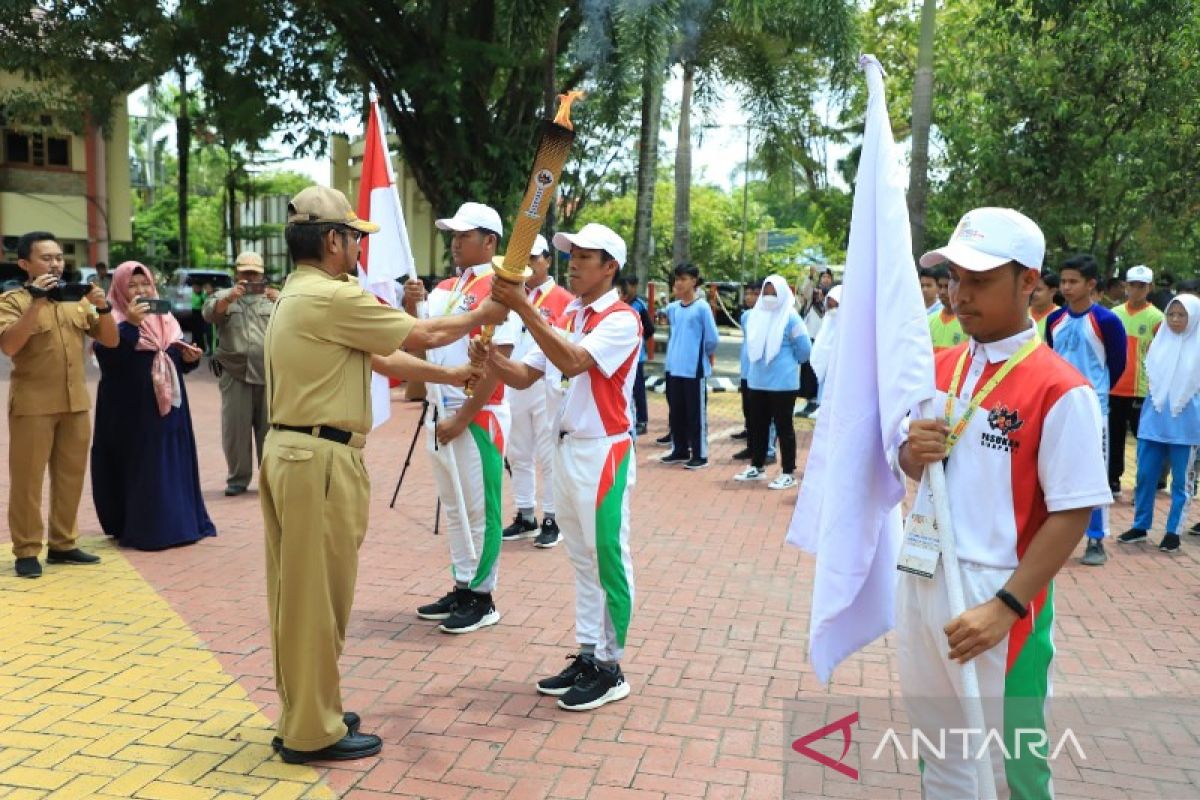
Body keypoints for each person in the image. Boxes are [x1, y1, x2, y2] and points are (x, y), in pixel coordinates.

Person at [261, 185, 506, 764]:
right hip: (317, 458)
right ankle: (311, 730)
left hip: (301, 454)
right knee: (316, 597)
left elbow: (383, 356)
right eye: (352, 237)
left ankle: (308, 707)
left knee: (302, 595)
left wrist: (450, 380)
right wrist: (492, 310)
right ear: (330, 240)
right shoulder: (329, 296)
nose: (357, 248)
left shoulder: (309, 294)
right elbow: (423, 333)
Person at [903, 207, 1110, 799]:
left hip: (999, 598)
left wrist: (1007, 606)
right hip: (923, 577)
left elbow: (1072, 513)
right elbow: (910, 469)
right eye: (954, 278)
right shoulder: (940, 369)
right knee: (940, 753)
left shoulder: (1060, 388)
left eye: (980, 280)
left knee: (1009, 763)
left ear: (1029, 282)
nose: (960, 294)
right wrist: (911, 454)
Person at [481, 222, 640, 712]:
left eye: (584, 257)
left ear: (609, 267)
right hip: (566, 448)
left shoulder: (622, 319)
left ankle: (611, 668)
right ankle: (589, 653)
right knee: (580, 559)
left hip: (603, 452)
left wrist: (522, 304)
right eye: (571, 254)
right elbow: (527, 373)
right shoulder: (568, 314)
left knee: (607, 556)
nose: (573, 263)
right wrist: (488, 357)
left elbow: (572, 363)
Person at [413, 201, 521, 634]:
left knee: (482, 510)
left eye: (464, 235)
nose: (455, 242)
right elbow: (423, 339)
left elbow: (501, 361)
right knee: (455, 506)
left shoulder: (502, 290)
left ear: (489, 241)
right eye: (453, 235)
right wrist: (410, 306)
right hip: (441, 408)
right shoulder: (446, 288)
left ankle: (483, 596)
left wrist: (464, 417)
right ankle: (462, 582)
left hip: (480, 413)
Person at [0, 231, 117, 578]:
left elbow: (110, 340)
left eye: (59, 258)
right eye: (46, 258)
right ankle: (26, 550)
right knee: (27, 481)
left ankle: (63, 544)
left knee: (70, 477)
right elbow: (9, 346)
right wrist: (36, 303)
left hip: (75, 403)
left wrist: (103, 306)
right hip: (33, 404)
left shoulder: (75, 300)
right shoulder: (12, 301)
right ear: (25, 264)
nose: (55, 263)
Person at [91, 262, 215, 551]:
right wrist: (132, 324)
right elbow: (111, 361)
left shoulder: (166, 318)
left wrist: (189, 357)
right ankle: (147, 528)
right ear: (120, 289)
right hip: (130, 409)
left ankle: (180, 523)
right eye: (132, 286)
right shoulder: (110, 318)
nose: (140, 290)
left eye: (144, 284)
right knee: (142, 464)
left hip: (169, 405)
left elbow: (173, 356)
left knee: (171, 459)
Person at [1046, 254, 1127, 565]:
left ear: (1091, 284)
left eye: (1072, 282)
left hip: (1094, 408)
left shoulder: (1106, 320)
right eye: (1063, 281)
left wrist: (1096, 391)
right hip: (1056, 405)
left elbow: (1117, 364)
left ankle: (1096, 539)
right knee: (1053, 468)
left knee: (1095, 472)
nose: (1065, 287)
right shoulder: (1055, 320)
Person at [501, 234, 574, 548]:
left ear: (547, 260)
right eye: (523, 260)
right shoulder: (511, 296)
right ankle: (525, 514)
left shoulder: (564, 299)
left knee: (547, 456)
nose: (529, 265)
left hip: (545, 387)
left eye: (534, 258)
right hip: (515, 383)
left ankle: (552, 518)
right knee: (518, 453)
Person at [1117, 295, 1200, 552]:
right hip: (1153, 422)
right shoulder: (1159, 344)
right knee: (1144, 476)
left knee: (1181, 482)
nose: (1175, 320)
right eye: (1171, 314)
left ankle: (1173, 531)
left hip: (1186, 427)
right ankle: (1140, 526)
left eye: (1181, 315)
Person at [203, 252, 279, 497]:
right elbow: (210, 313)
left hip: (269, 374)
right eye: (245, 273)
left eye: (254, 273)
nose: (249, 278)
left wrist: (284, 301)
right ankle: (237, 478)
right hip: (235, 373)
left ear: (262, 273)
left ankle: (270, 479)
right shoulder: (223, 297)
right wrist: (228, 298)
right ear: (237, 273)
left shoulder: (274, 298)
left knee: (270, 430)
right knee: (235, 429)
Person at [733, 275, 811, 489]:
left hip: (783, 384)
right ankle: (756, 466)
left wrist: (789, 363)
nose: (768, 297)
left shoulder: (791, 318)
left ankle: (788, 472)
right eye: (766, 292)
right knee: (758, 425)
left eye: (773, 292)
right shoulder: (753, 317)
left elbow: (804, 349)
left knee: (784, 427)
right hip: (757, 380)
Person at [1109, 265, 1164, 496]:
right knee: (1114, 439)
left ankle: (1143, 486)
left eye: (1141, 286)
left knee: (1144, 443)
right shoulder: (1114, 314)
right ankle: (1112, 483)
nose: (1136, 290)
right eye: (1132, 285)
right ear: (1125, 286)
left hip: (1142, 390)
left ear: (1149, 288)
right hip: (1114, 387)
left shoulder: (1157, 318)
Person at [660, 262, 718, 469]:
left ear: (694, 281)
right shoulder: (674, 308)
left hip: (694, 369)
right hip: (674, 367)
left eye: (684, 279)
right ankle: (680, 449)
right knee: (676, 411)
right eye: (677, 279)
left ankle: (700, 454)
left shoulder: (701, 307)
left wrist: (698, 355)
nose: (679, 283)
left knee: (695, 414)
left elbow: (712, 339)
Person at [618, 275, 653, 436]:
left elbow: (650, 329)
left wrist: (638, 342)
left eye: (631, 285)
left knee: (638, 390)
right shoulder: (620, 304)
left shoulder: (639, 306)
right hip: (621, 357)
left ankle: (642, 421)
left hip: (637, 358)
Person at [928, 267, 966, 351]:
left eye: (947, 286)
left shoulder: (967, 322)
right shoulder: (929, 320)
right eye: (940, 286)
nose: (942, 292)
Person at [1029, 270, 1059, 339]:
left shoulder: (1061, 317)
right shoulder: (1020, 314)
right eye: (1031, 288)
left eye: (1038, 290)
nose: (1033, 293)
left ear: (1053, 291)